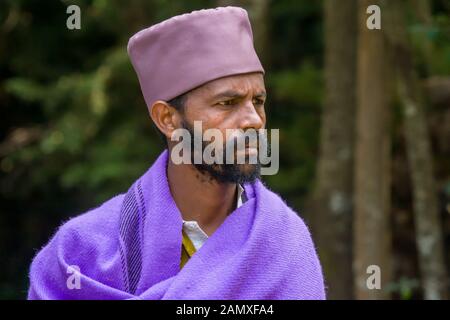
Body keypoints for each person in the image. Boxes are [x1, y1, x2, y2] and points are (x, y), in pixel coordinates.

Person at [27, 6, 325, 300]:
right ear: (167, 119)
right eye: (227, 103)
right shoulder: (81, 252)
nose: (254, 119)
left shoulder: (284, 242)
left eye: (258, 101)